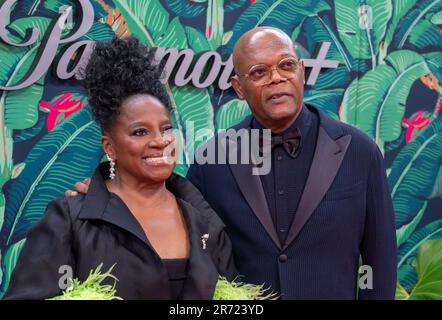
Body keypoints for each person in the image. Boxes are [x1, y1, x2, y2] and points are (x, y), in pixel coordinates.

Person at [69, 27, 398, 300]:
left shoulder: (360, 152)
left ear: (301, 71)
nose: (276, 78)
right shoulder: (214, 160)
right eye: (259, 72)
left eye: (286, 66)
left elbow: (379, 262)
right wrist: (112, 198)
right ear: (239, 88)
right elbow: (173, 221)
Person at [4, 36, 236, 300]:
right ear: (110, 147)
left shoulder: (204, 220)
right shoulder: (69, 220)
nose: (160, 141)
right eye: (140, 132)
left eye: (166, 128)